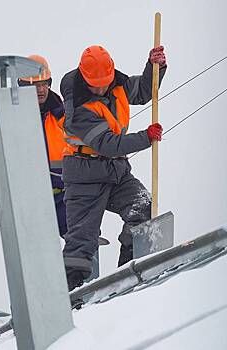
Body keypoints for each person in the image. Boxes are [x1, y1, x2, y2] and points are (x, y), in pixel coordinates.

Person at [59, 45, 167, 291]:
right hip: (84, 176)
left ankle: (128, 271)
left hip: (116, 171)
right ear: (84, 79)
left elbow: (142, 91)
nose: (100, 88)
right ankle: (69, 297)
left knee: (143, 208)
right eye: (95, 84)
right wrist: (145, 137)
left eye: (104, 82)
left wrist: (155, 68)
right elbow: (108, 144)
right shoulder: (78, 109)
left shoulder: (115, 84)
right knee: (81, 243)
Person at [0, 55, 69, 237]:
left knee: (81, 239)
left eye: (44, 84)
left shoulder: (62, 114)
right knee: (37, 252)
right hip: (31, 198)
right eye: (35, 85)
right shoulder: (12, 115)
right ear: (24, 86)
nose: (41, 90)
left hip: (63, 196)